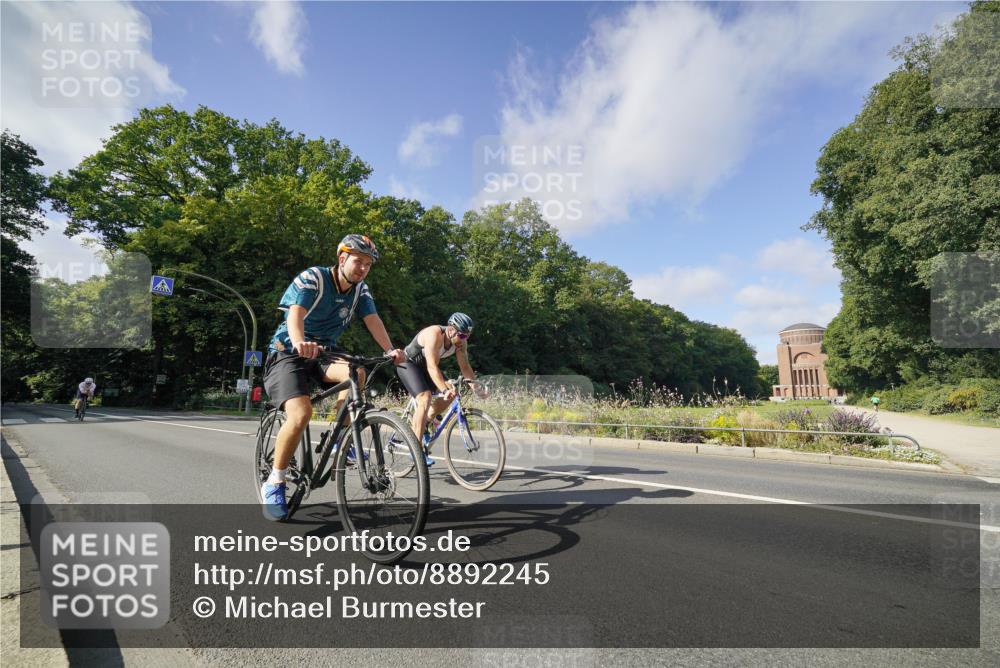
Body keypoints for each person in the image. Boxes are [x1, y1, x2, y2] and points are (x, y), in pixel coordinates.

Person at [260, 234, 405, 521]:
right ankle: (274, 482)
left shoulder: (360, 290)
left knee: (356, 372)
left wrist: (389, 349)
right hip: (288, 351)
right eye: (357, 261)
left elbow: (373, 320)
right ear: (342, 259)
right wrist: (300, 341)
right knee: (301, 413)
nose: (363, 268)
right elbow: (295, 313)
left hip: (325, 352)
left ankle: (339, 438)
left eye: (368, 264)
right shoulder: (313, 278)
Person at [395, 313, 479, 466]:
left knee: (454, 392)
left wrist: (477, 389)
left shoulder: (460, 343)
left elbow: (465, 367)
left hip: (427, 368)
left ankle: (427, 420)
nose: (464, 339)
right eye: (461, 335)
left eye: (467, 336)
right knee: (425, 397)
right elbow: (432, 367)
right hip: (409, 365)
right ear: (451, 330)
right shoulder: (434, 334)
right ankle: (416, 451)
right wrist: (444, 389)